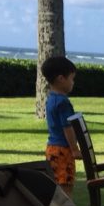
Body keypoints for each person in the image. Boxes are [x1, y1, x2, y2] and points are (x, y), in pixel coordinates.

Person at [40, 56, 82, 197]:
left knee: (56, 188)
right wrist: (75, 150)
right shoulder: (63, 103)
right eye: (72, 78)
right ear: (61, 79)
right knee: (65, 189)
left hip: (52, 149)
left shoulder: (51, 99)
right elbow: (67, 128)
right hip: (63, 151)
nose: (73, 83)